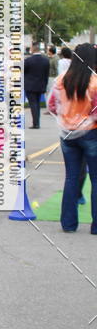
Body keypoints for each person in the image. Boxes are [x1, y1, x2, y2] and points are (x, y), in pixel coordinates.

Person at [47, 43, 97, 234]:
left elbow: (52, 106)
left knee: (71, 178)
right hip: (91, 133)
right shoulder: (94, 82)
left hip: (67, 135)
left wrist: (68, 119)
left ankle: (68, 224)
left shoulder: (61, 80)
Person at [24, 43, 50, 129]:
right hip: (41, 85)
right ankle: (37, 121)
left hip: (30, 85)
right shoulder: (46, 60)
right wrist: (45, 85)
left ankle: (35, 123)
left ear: (33, 49)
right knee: (37, 104)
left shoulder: (28, 60)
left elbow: (23, 71)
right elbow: (47, 74)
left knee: (33, 104)